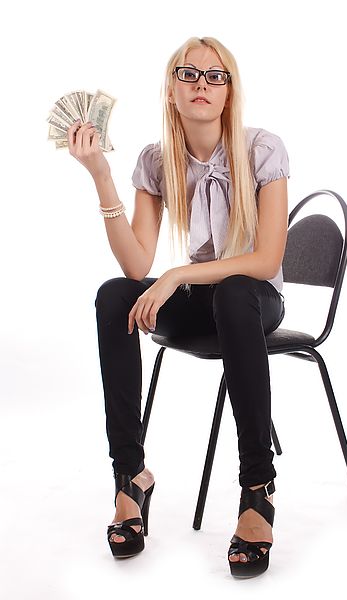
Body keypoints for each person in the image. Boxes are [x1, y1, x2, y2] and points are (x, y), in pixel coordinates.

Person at [67, 36, 289, 578]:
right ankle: (130, 477)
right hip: (204, 302)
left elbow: (264, 260)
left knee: (235, 294)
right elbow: (137, 267)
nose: (202, 85)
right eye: (189, 74)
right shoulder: (155, 160)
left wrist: (180, 273)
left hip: (254, 299)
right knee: (114, 296)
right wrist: (100, 173)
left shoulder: (263, 149)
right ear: (171, 90)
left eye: (216, 77)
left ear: (230, 92)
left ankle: (257, 488)